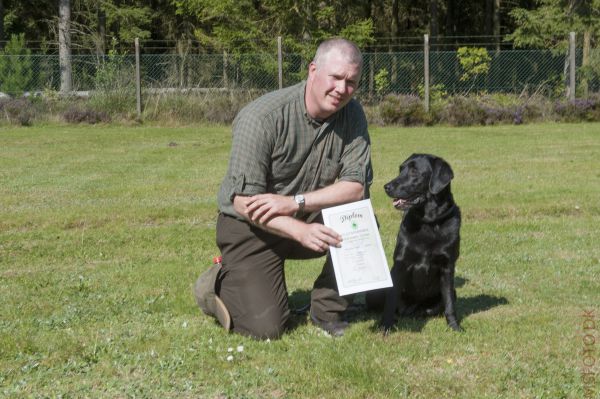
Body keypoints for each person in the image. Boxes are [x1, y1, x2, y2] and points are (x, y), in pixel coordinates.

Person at [194, 38, 373, 340]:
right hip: (251, 226)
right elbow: (242, 203)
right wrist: (298, 230)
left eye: (351, 82)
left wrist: (295, 203)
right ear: (313, 70)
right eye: (336, 78)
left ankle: (326, 310)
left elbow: (355, 187)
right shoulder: (261, 118)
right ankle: (217, 283)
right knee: (267, 328)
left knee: (362, 219)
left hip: (302, 216)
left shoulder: (352, 114)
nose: (342, 89)